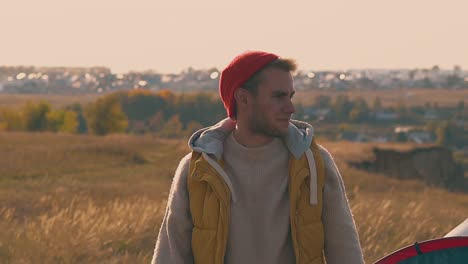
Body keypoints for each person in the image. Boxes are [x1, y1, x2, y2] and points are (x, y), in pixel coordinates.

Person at [152, 51, 364, 264]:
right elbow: (171, 254)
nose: (290, 108)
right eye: (278, 96)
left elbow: (346, 251)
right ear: (243, 98)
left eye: (290, 96)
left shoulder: (314, 163)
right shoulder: (197, 169)